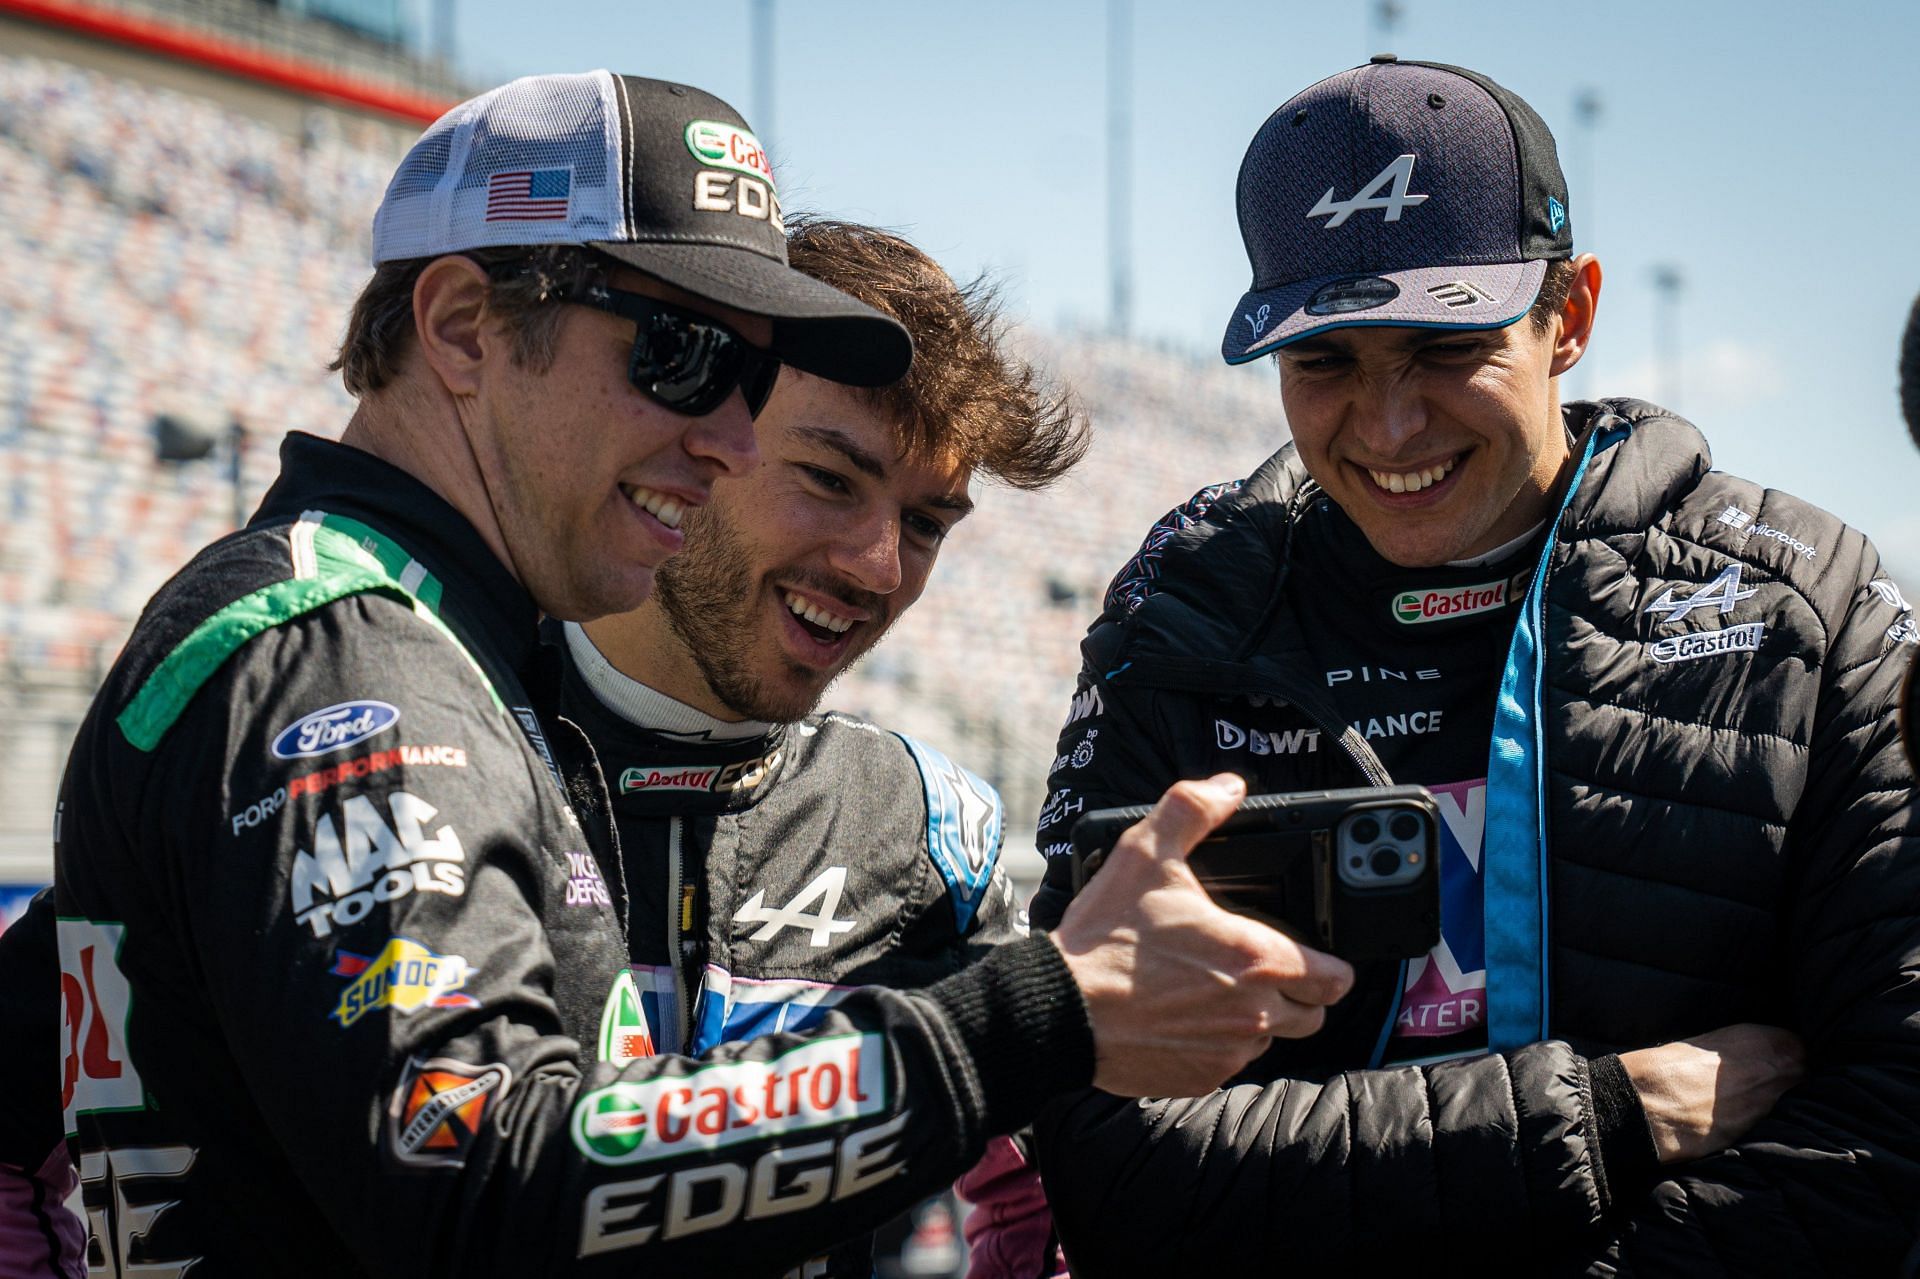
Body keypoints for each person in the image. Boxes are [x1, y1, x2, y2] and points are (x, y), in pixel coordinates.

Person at [50, 71, 1353, 1276]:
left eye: (745, 377)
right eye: (680, 356)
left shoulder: (429, 653)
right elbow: (486, 1183)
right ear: (460, 326)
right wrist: (1023, 1017)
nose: (725, 435)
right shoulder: (347, 654)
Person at [1010, 56, 1920, 1274]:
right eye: (1325, 360)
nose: (1389, 425)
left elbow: (1893, 1127)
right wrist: (1604, 1118)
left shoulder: (1801, 608)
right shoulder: (1182, 616)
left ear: (1573, 318)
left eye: (1445, 345)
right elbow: (1106, 1159)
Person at [550, 215, 1089, 1277]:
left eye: (928, 521)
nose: (882, 567)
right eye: (831, 480)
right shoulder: (449, 733)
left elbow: (1044, 1211)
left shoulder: (931, 832)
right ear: (697, 433)